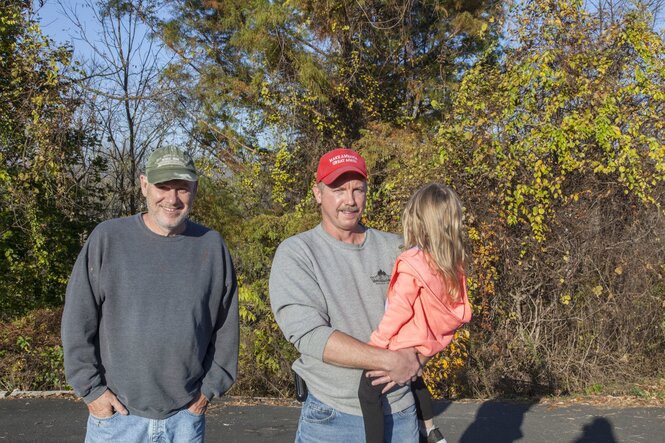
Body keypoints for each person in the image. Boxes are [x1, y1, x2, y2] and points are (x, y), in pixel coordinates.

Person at [61, 146, 239, 443]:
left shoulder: (211, 246)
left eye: (182, 188)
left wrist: (207, 392)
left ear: (195, 189)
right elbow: (78, 321)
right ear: (144, 184)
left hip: (184, 420)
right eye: (162, 187)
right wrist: (92, 391)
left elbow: (225, 328)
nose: (172, 198)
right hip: (117, 419)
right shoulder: (108, 239)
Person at [269, 148, 422, 442]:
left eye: (358, 190)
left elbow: (433, 313)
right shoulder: (298, 253)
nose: (350, 201)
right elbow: (310, 334)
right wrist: (389, 361)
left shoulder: (398, 249)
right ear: (317, 193)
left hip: (400, 413)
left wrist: (417, 360)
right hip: (332, 416)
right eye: (338, 190)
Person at [357, 184, 472, 443]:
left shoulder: (413, 262)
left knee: (368, 391)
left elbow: (398, 310)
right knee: (415, 379)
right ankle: (430, 429)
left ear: (416, 221)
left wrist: (376, 345)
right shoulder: (452, 264)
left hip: (401, 341)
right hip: (426, 343)